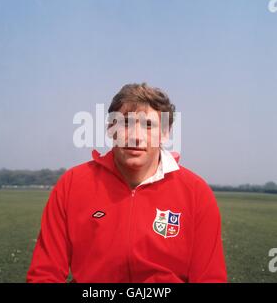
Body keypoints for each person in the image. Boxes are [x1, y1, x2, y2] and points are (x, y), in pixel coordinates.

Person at [26, 82, 227, 283]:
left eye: (148, 125)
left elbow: (210, 278)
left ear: (165, 133)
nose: (135, 137)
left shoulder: (196, 192)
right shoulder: (71, 184)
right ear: (110, 129)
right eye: (125, 124)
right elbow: (44, 274)